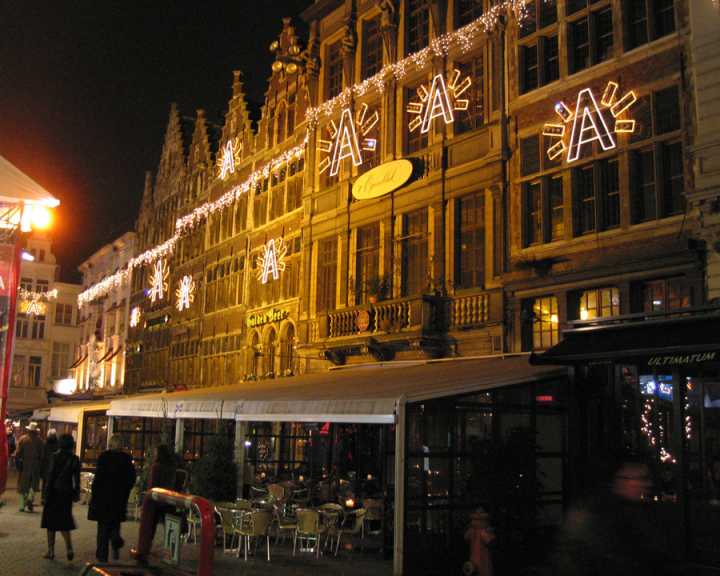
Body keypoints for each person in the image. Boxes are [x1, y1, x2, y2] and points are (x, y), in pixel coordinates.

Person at [552, 461, 676, 576]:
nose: (647, 484)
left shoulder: (641, 510)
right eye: (640, 478)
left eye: (647, 478)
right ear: (620, 479)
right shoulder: (600, 513)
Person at [88, 433, 137, 562]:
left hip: (104, 498)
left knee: (103, 528)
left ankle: (102, 556)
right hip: (118, 498)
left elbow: (98, 478)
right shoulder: (126, 458)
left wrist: (95, 493)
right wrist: (125, 490)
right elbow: (131, 478)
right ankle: (115, 540)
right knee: (115, 523)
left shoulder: (104, 457)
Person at [40, 433, 80, 561]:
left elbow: (50, 477)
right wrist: (76, 493)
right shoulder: (75, 459)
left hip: (54, 492)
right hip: (66, 493)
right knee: (64, 521)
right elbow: (77, 479)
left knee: (50, 523)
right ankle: (69, 547)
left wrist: (45, 495)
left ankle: (50, 550)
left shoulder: (54, 457)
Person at [147, 443, 178, 538]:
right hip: (170, 498)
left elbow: (153, 482)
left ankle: (147, 545)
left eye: (155, 451)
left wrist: (149, 496)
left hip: (158, 499)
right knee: (169, 525)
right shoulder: (172, 465)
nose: (154, 453)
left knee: (151, 525)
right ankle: (170, 547)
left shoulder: (156, 466)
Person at [14, 421, 45, 512]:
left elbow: (18, 452)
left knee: (22, 484)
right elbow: (42, 454)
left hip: (24, 464)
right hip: (35, 464)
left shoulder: (22, 439)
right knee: (34, 482)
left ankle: (21, 506)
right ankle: (30, 497)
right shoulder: (39, 440)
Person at [42, 429, 59, 497]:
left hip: (46, 464)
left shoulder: (45, 443)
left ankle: (44, 496)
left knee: (45, 481)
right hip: (55, 464)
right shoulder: (58, 444)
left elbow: (43, 454)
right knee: (53, 481)